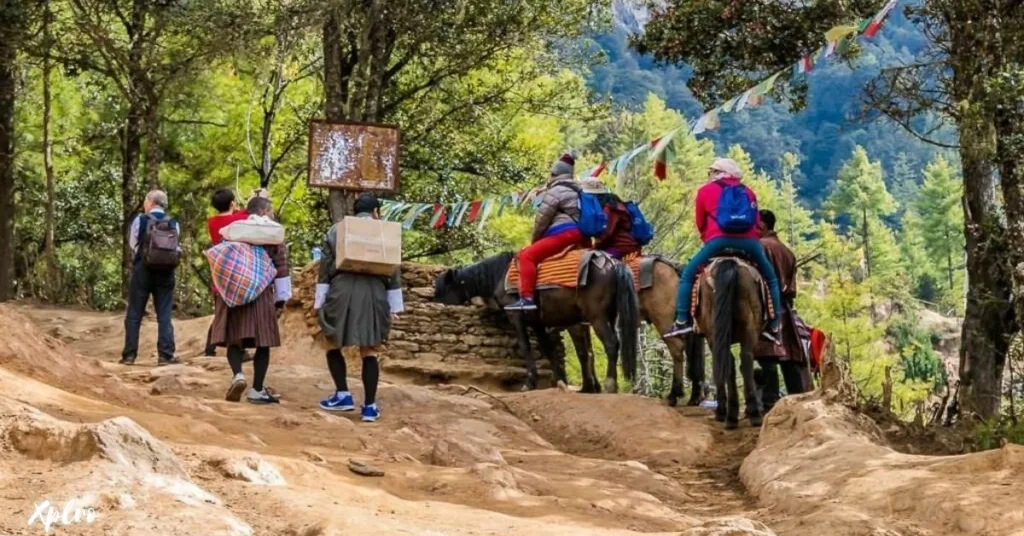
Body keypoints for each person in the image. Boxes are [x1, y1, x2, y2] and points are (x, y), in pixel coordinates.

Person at [665, 158, 782, 342]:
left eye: (711, 171)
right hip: (749, 243)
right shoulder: (748, 192)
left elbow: (700, 222)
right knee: (771, 278)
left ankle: (682, 321)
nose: (709, 174)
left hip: (717, 241)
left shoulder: (705, 191)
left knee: (688, 274)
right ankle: (775, 325)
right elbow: (754, 221)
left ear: (718, 172)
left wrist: (710, 240)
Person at [315, 193, 404, 422]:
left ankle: (343, 394)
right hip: (374, 291)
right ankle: (369, 407)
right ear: (376, 211)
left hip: (341, 288)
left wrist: (320, 300)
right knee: (369, 349)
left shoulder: (337, 230)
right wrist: (395, 305)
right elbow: (394, 269)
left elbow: (325, 266)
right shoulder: (384, 232)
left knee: (332, 342)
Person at [208, 196, 290, 404]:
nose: (272, 215)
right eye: (270, 211)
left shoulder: (234, 229)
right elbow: (281, 268)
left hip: (233, 292)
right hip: (261, 294)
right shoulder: (272, 234)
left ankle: (238, 375)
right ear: (264, 211)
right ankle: (257, 389)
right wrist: (281, 298)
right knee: (263, 343)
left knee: (234, 339)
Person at [506, 153, 591, 311]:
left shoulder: (556, 191)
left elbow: (542, 219)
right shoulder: (579, 190)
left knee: (526, 256)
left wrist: (535, 241)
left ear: (555, 174)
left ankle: (527, 298)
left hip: (563, 234)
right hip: (582, 236)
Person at [752, 209, 808, 411]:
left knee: (768, 356)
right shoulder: (786, 251)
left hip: (767, 308)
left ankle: (769, 405)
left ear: (764, 226)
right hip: (785, 307)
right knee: (788, 358)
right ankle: (798, 404)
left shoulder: (759, 247)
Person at [121, 190, 181, 366]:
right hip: (166, 273)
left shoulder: (141, 220)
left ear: (151, 202)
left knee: (134, 313)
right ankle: (165, 355)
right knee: (164, 313)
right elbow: (175, 246)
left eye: (145, 201)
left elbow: (134, 244)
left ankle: (129, 355)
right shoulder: (173, 223)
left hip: (143, 270)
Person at [204, 189, 250, 357]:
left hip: (220, 272)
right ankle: (240, 349)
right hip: (238, 272)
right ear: (232, 203)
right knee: (238, 312)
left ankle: (210, 346)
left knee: (221, 311)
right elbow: (248, 211)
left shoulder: (212, 222)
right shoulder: (240, 218)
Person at [583, 179, 642, 259]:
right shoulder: (612, 205)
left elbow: (606, 233)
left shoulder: (611, 208)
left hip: (620, 246)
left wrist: (594, 247)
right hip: (624, 245)